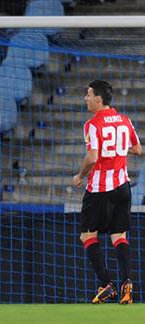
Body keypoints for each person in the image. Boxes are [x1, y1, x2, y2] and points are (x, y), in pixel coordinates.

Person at [73, 80, 141, 304]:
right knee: (119, 236)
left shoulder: (93, 124)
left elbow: (92, 158)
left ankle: (106, 285)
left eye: (88, 94)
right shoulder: (125, 121)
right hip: (123, 187)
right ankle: (127, 285)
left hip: (100, 189)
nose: (86, 98)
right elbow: (138, 150)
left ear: (99, 99)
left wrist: (80, 176)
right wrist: (118, 149)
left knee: (87, 236)